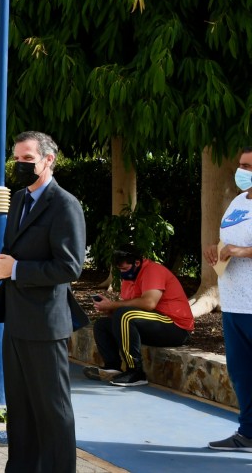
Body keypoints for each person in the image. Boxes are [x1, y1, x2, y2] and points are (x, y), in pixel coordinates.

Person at [0, 131, 87, 473]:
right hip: (16, 321)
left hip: (45, 325)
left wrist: (16, 269)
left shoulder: (65, 204)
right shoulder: (18, 199)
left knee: (53, 411)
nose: (20, 165)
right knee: (21, 409)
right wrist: (5, 267)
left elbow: (70, 266)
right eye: (17, 158)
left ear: (48, 160)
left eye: (27, 159)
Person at [202, 146, 252, 452]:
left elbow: (240, 247)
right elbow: (227, 242)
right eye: (242, 165)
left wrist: (242, 251)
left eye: (249, 166)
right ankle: (247, 433)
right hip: (234, 303)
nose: (243, 171)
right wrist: (215, 248)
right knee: (241, 372)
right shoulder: (237, 201)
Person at [87, 248, 194, 387]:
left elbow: (149, 303)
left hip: (176, 327)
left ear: (137, 263)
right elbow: (130, 310)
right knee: (102, 324)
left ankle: (136, 372)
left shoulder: (153, 271)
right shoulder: (128, 278)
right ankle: (112, 367)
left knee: (124, 315)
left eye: (125, 268)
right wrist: (109, 310)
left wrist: (113, 305)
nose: (122, 272)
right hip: (152, 323)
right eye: (120, 269)